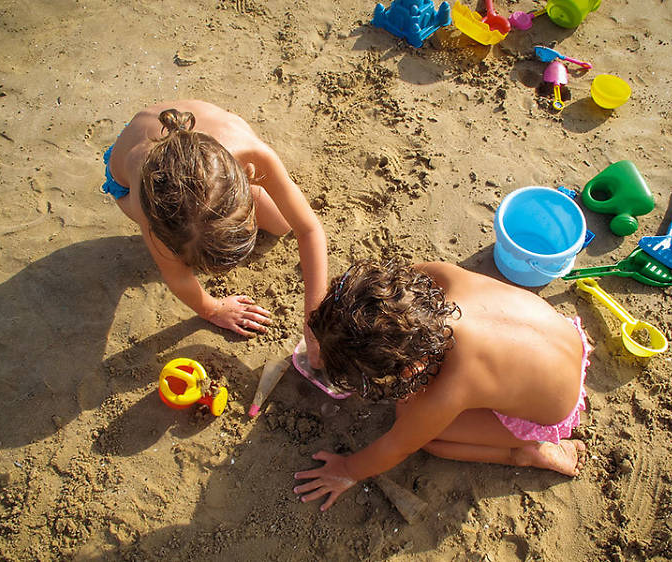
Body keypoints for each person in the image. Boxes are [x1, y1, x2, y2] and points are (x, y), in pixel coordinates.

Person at [294, 259, 590, 511]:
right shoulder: (443, 277)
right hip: (564, 341)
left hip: (552, 410)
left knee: (428, 436)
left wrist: (347, 470)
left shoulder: (452, 385)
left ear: (413, 368)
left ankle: (526, 452)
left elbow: (397, 446)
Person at [102, 100, 327, 364]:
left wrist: (315, 320)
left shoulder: (251, 152)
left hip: (180, 126)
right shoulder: (147, 204)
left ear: (246, 175)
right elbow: (178, 279)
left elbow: (309, 228)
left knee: (282, 223)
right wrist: (213, 309)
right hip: (126, 179)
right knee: (172, 241)